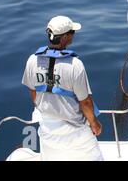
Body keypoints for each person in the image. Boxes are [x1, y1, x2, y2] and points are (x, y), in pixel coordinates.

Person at [21, 16, 104, 161]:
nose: (73, 35)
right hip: (76, 131)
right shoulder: (75, 65)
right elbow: (85, 102)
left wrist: (46, 109)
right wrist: (94, 124)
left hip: (47, 128)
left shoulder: (32, 60)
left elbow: (33, 92)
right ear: (65, 37)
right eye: (72, 32)